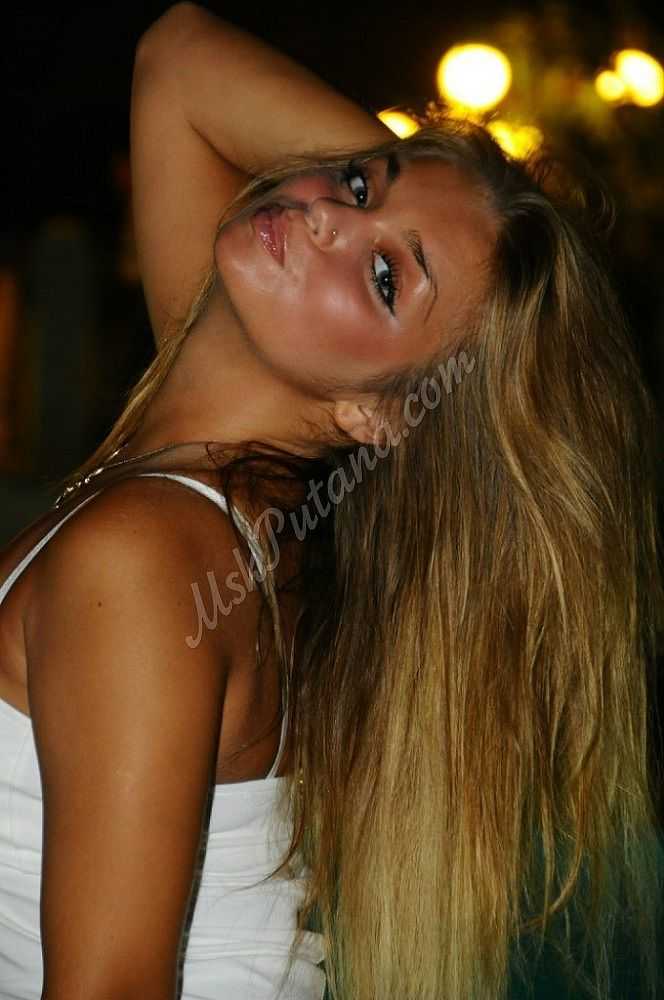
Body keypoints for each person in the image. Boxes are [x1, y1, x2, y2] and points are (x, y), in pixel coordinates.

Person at [0, 3, 662, 999]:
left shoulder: (149, 556)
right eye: (358, 182)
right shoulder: (227, 489)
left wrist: (453, 232)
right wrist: (463, 192)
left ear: (379, 414)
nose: (327, 219)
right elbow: (177, 56)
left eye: (387, 278)